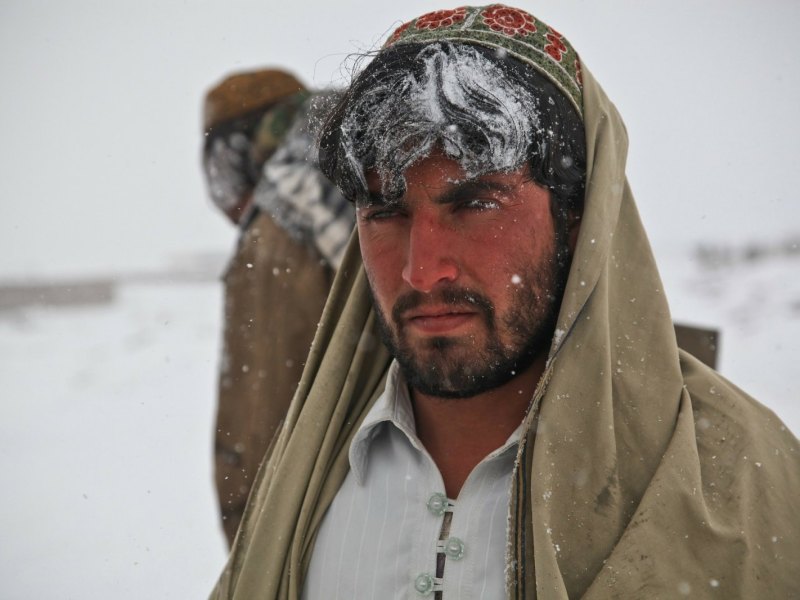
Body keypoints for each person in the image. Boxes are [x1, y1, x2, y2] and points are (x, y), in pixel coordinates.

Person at [211, 6, 799, 598]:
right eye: (385, 212)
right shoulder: (301, 491)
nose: (422, 270)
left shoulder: (740, 480)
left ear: (577, 217)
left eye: (475, 203)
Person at [202, 70, 353, 545]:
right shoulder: (360, 179)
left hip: (317, 529)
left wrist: (256, 546)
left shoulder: (278, 231)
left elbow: (262, 426)